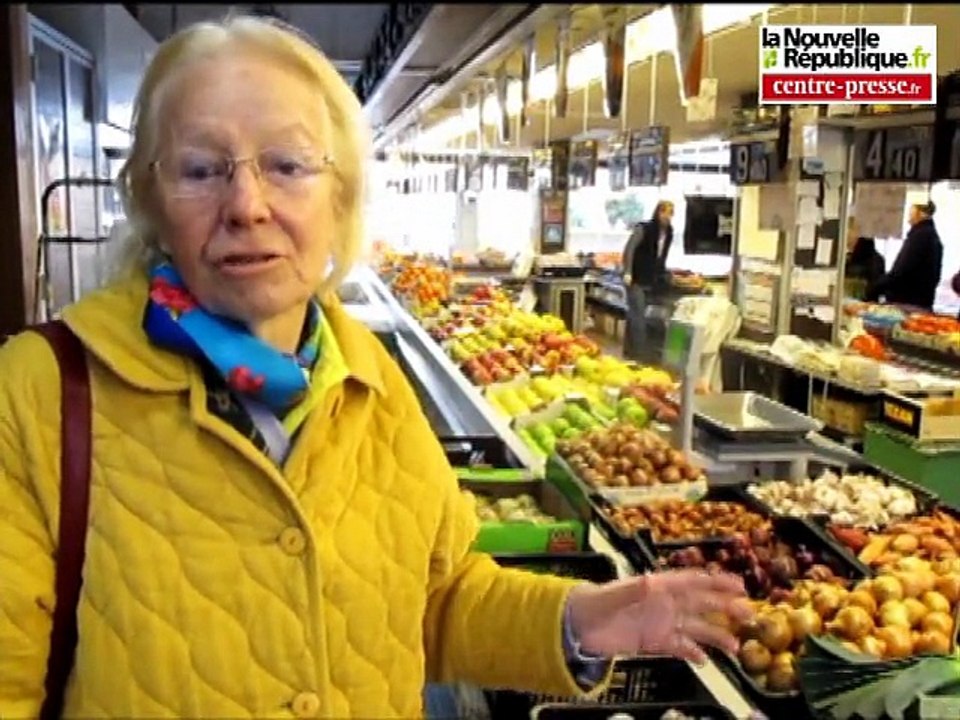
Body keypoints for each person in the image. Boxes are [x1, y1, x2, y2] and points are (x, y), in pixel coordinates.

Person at [0, 15, 750, 719]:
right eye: (201, 169)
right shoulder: (39, 397)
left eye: (288, 164)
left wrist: (577, 621)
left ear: (341, 197)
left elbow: (438, 601)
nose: (247, 204)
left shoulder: (371, 383)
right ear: (151, 199)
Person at [621, 200, 674, 361]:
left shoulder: (669, 232)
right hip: (636, 277)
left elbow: (661, 256)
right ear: (658, 212)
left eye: (671, 213)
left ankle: (630, 350)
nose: (668, 216)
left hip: (652, 279)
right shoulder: (644, 228)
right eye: (665, 212)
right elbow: (629, 249)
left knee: (635, 315)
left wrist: (664, 274)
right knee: (638, 316)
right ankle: (640, 354)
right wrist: (628, 271)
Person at [866, 201, 943, 310]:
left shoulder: (920, 237)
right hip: (921, 302)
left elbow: (900, 271)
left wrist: (874, 289)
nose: (909, 213)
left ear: (920, 212)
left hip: (909, 304)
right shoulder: (930, 235)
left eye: (912, 209)